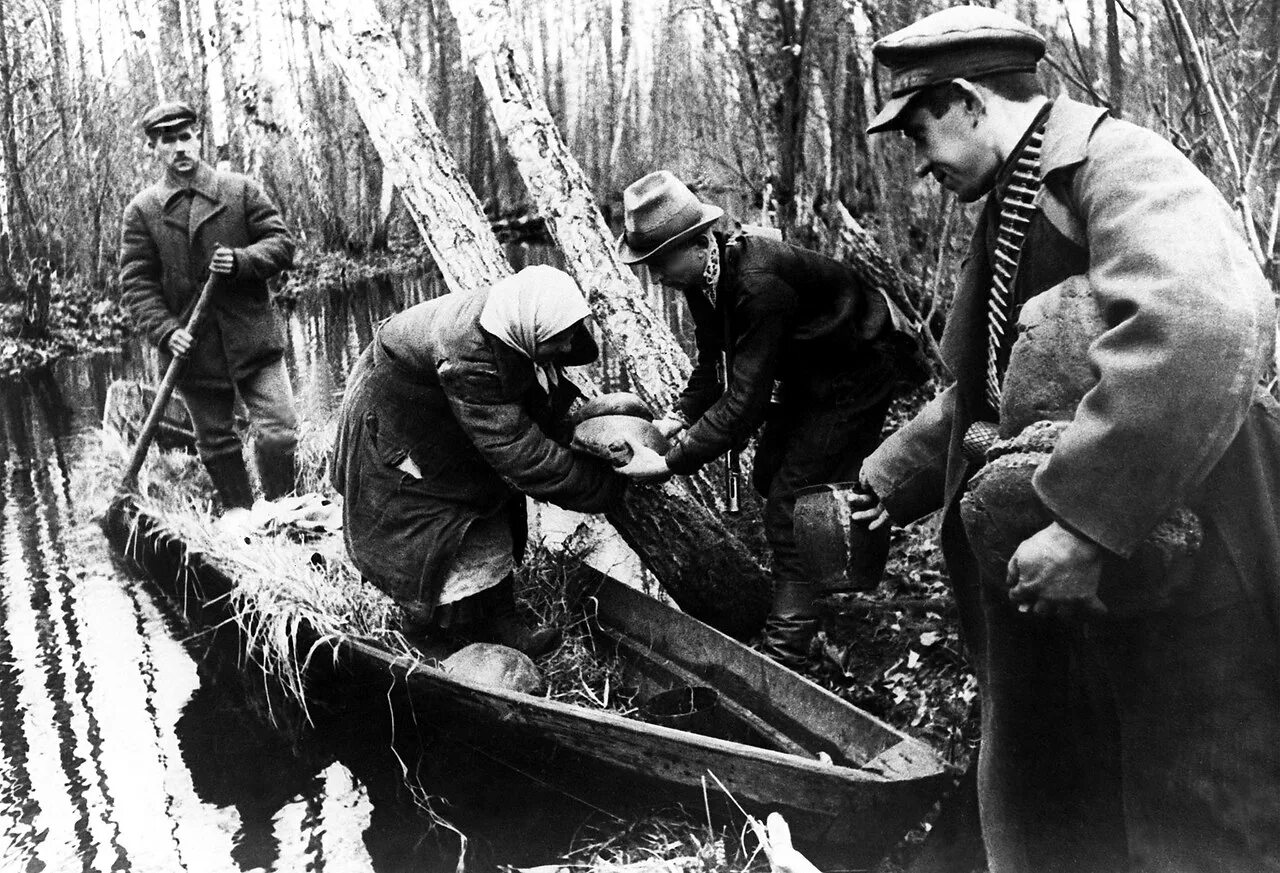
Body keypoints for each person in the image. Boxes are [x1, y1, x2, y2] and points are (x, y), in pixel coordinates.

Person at [854, 6, 1280, 872]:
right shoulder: (1015, 195)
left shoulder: (1120, 166)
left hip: (1196, 543)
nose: (919, 164)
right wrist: (885, 480)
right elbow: (986, 390)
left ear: (970, 100)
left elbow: (1203, 323)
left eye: (921, 131)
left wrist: (1086, 522)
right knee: (1088, 799)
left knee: (1199, 812)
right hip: (1119, 560)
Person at [613, 170, 907, 669]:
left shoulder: (755, 282)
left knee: (789, 507)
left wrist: (669, 464)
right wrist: (675, 419)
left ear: (700, 242)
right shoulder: (705, 279)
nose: (655, 275)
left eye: (659, 261)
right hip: (809, 372)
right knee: (770, 474)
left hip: (854, 372)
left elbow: (744, 402)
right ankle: (820, 577)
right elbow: (713, 366)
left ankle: (787, 650)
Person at [330, 266, 625, 657]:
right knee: (429, 519)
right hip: (395, 418)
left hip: (443, 407)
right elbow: (522, 456)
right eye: (561, 339)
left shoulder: (521, 318)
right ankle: (422, 631)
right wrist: (609, 490)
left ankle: (501, 621)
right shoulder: (470, 354)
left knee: (486, 495)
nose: (569, 347)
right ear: (534, 332)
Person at [120, 100, 299, 512]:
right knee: (215, 441)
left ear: (198, 138)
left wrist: (241, 261)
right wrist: (167, 332)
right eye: (168, 141)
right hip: (192, 347)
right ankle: (241, 517)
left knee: (280, 433)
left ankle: (283, 512)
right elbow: (137, 285)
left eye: (186, 137)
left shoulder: (240, 190)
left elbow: (281, 244)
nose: (180, 148)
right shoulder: (142, 212)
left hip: (252, 336)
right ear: (153, 148)